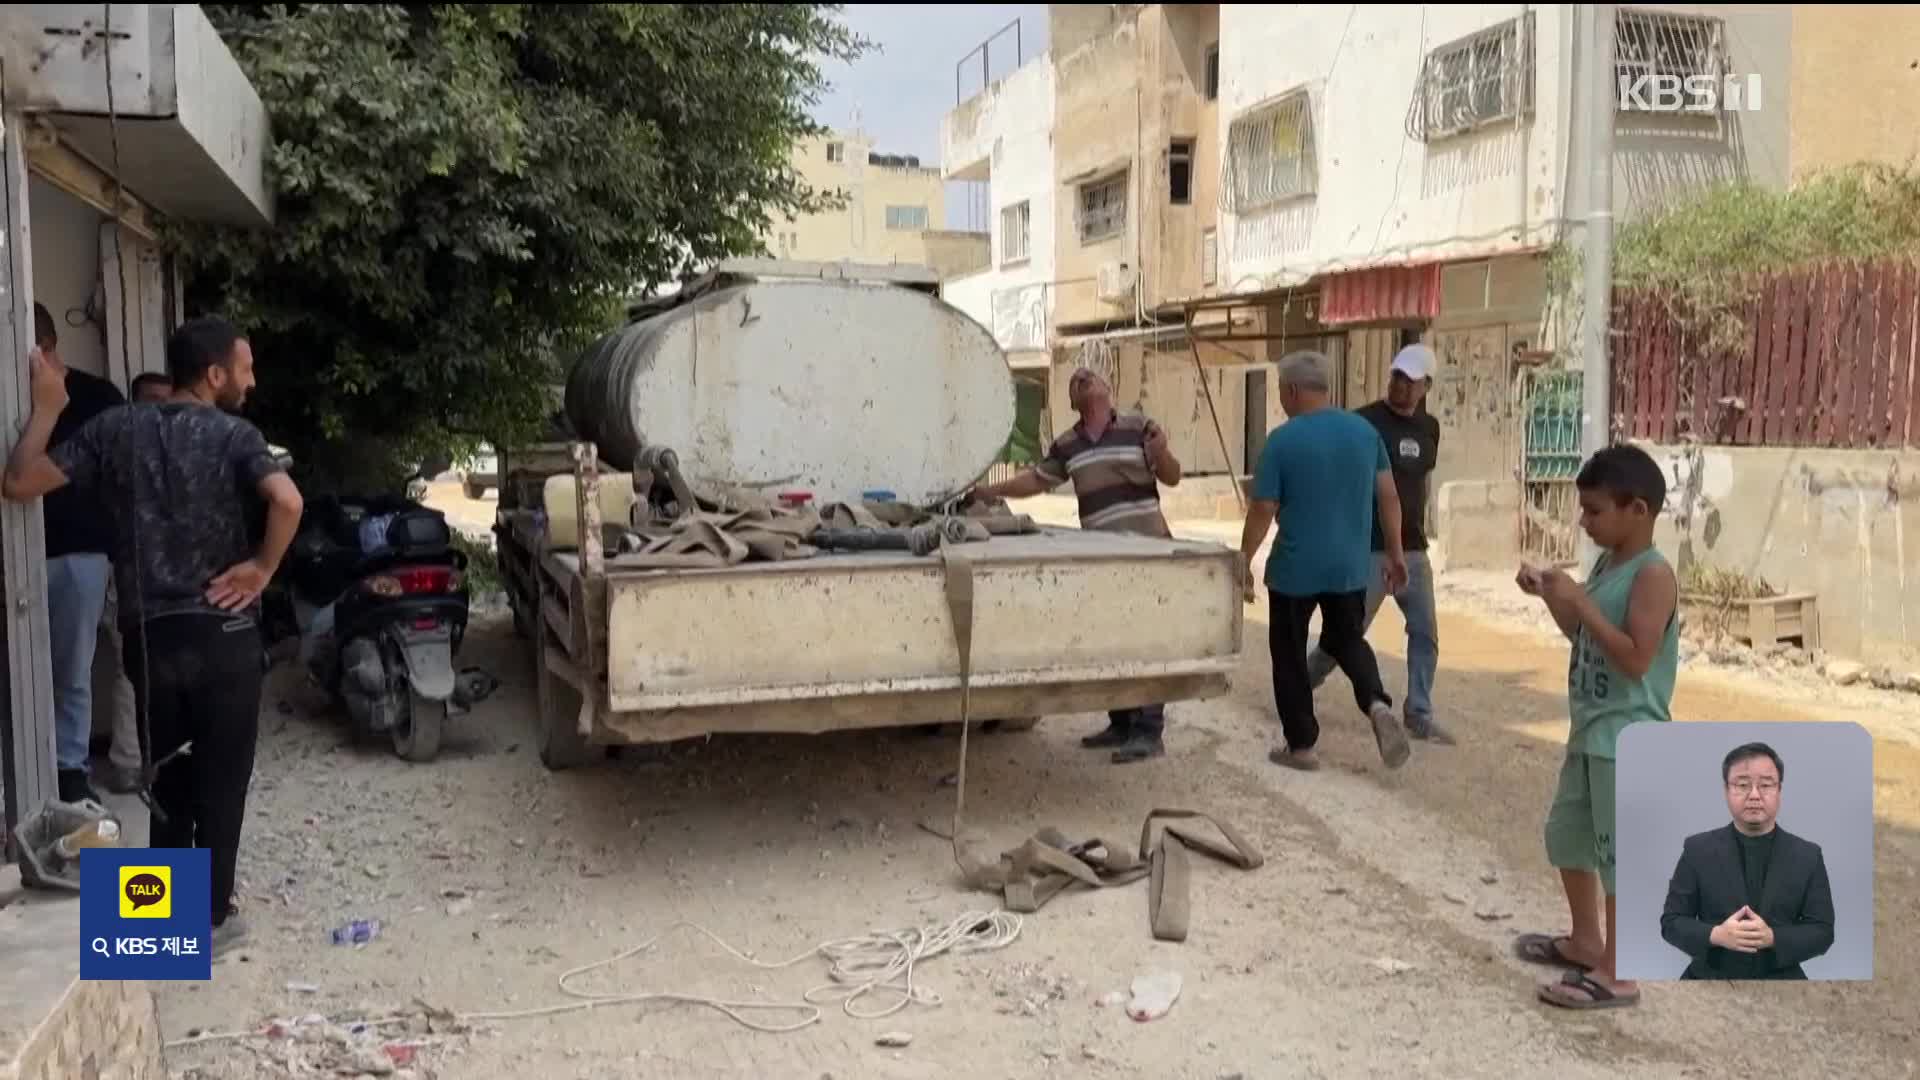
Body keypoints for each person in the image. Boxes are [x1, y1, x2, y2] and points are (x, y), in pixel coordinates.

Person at [3, 315, 303, 956]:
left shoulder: (114, 428)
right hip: (223, 630)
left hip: (150, 637)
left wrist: (48, 409)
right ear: (215, 374)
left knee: (167, 777)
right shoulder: (236, 435)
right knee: (223, 777)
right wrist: (261, 569)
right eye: (244, 370)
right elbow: (288, 501)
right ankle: (213, 919)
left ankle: (158, 925)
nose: (250, 382)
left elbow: (20, 483)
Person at [1511, 443, 1679, 1010]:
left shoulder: (1653, 576)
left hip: (1627, 738)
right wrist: (1556, 598)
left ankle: (1620, 973)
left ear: (1638, 510)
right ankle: (1587, 941)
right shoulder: (1610, 564)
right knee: (1569, 834)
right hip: (1593, 730)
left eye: (1594, 511)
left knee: (1618, 857)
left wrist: (1581, 604)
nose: (1584, 521)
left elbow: (1635, 659)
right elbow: (1585, 636)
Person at [970, 366, 1182, 763]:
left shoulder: (1140, 426)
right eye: (1075, 380)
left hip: (1149, 551)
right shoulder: (1068, 444)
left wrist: (1163, 453)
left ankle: (1149, 731)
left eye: (1091, 375)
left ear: (1109, 389)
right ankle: (1121, 722)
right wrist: (989, 490)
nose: (1082, 377)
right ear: (1070, 401)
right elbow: (1037, 480)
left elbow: (1173, 477)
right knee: (1112, 639)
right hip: (1102, 554)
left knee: (1147, 641)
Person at [1239, 350, 1409, 772]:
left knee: (1290, 651)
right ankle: (1376, 703)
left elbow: (1263, 508)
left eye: (1281, 391)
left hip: (1295, 568)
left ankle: (1302, 747)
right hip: (1349, 567)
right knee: (1346, 639)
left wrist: (1244, 558)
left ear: (1293, 390)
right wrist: (1395, 553)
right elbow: (1388, 495)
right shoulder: (1365, 433)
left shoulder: (1283, 439)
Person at [1305, 343, 1451, 745]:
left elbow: (1416, 481)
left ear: (1427, 386)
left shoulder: (1429, 429)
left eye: (1410, 380)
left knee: (1425, 632)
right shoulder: (1362, 423)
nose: (1401, 385)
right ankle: (1299, 686)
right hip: (1367, 548)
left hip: (1413, 549)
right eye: (1396, 377)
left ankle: (1419, 712)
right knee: (1345, 635)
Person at [34, 303, 128, 804]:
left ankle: (69, 771)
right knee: (18, 675)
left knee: (71, 670)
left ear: (45, 348)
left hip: (80, 552)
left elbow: (122, 475)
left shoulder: (96, 398)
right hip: (17, 554)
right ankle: (22, 776)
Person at [1659, 742, 1835, 980]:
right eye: (1742, 785)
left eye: (1765, 785)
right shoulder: (1697, 849)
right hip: (1708, 978)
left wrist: (1772, 937)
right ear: (1726, 790)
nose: (1754, 795)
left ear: (1779, 790)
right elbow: (1671, 922)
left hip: (1782, 982)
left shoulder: (1808, 855)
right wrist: (1718, 934)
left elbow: (1823, 932)